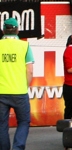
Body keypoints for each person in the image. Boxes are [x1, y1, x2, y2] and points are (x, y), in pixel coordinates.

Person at [0, 18, 32, 150]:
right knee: (24, 121)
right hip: (20, 91)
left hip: (1, 92)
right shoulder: (24, 46)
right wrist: (25, 86)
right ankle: (18, 148)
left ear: (3, 30)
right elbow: (29, 71)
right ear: (17, 30)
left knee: (1, 124)